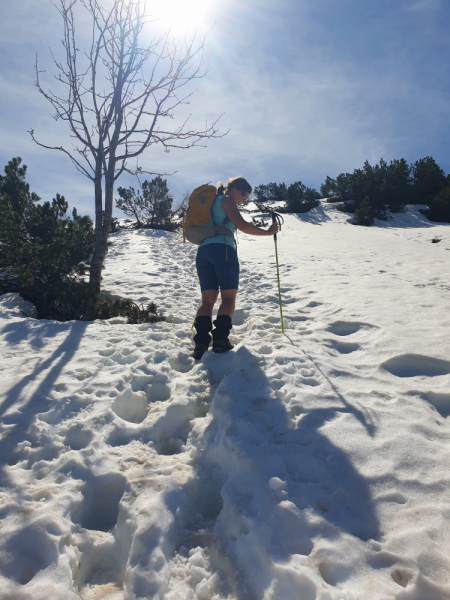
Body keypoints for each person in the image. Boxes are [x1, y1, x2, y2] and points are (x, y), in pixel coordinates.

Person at [193, 176, 279, 359]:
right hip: (223, 250)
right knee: (228, 297)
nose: (244, 200)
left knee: (207, 300)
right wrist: (267, 232)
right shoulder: (226, 200)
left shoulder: (211, 202)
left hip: (203, 252)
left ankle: (201, 342)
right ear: (234, 189)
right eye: (244, 195)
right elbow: (241, 225)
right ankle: (220, 340)